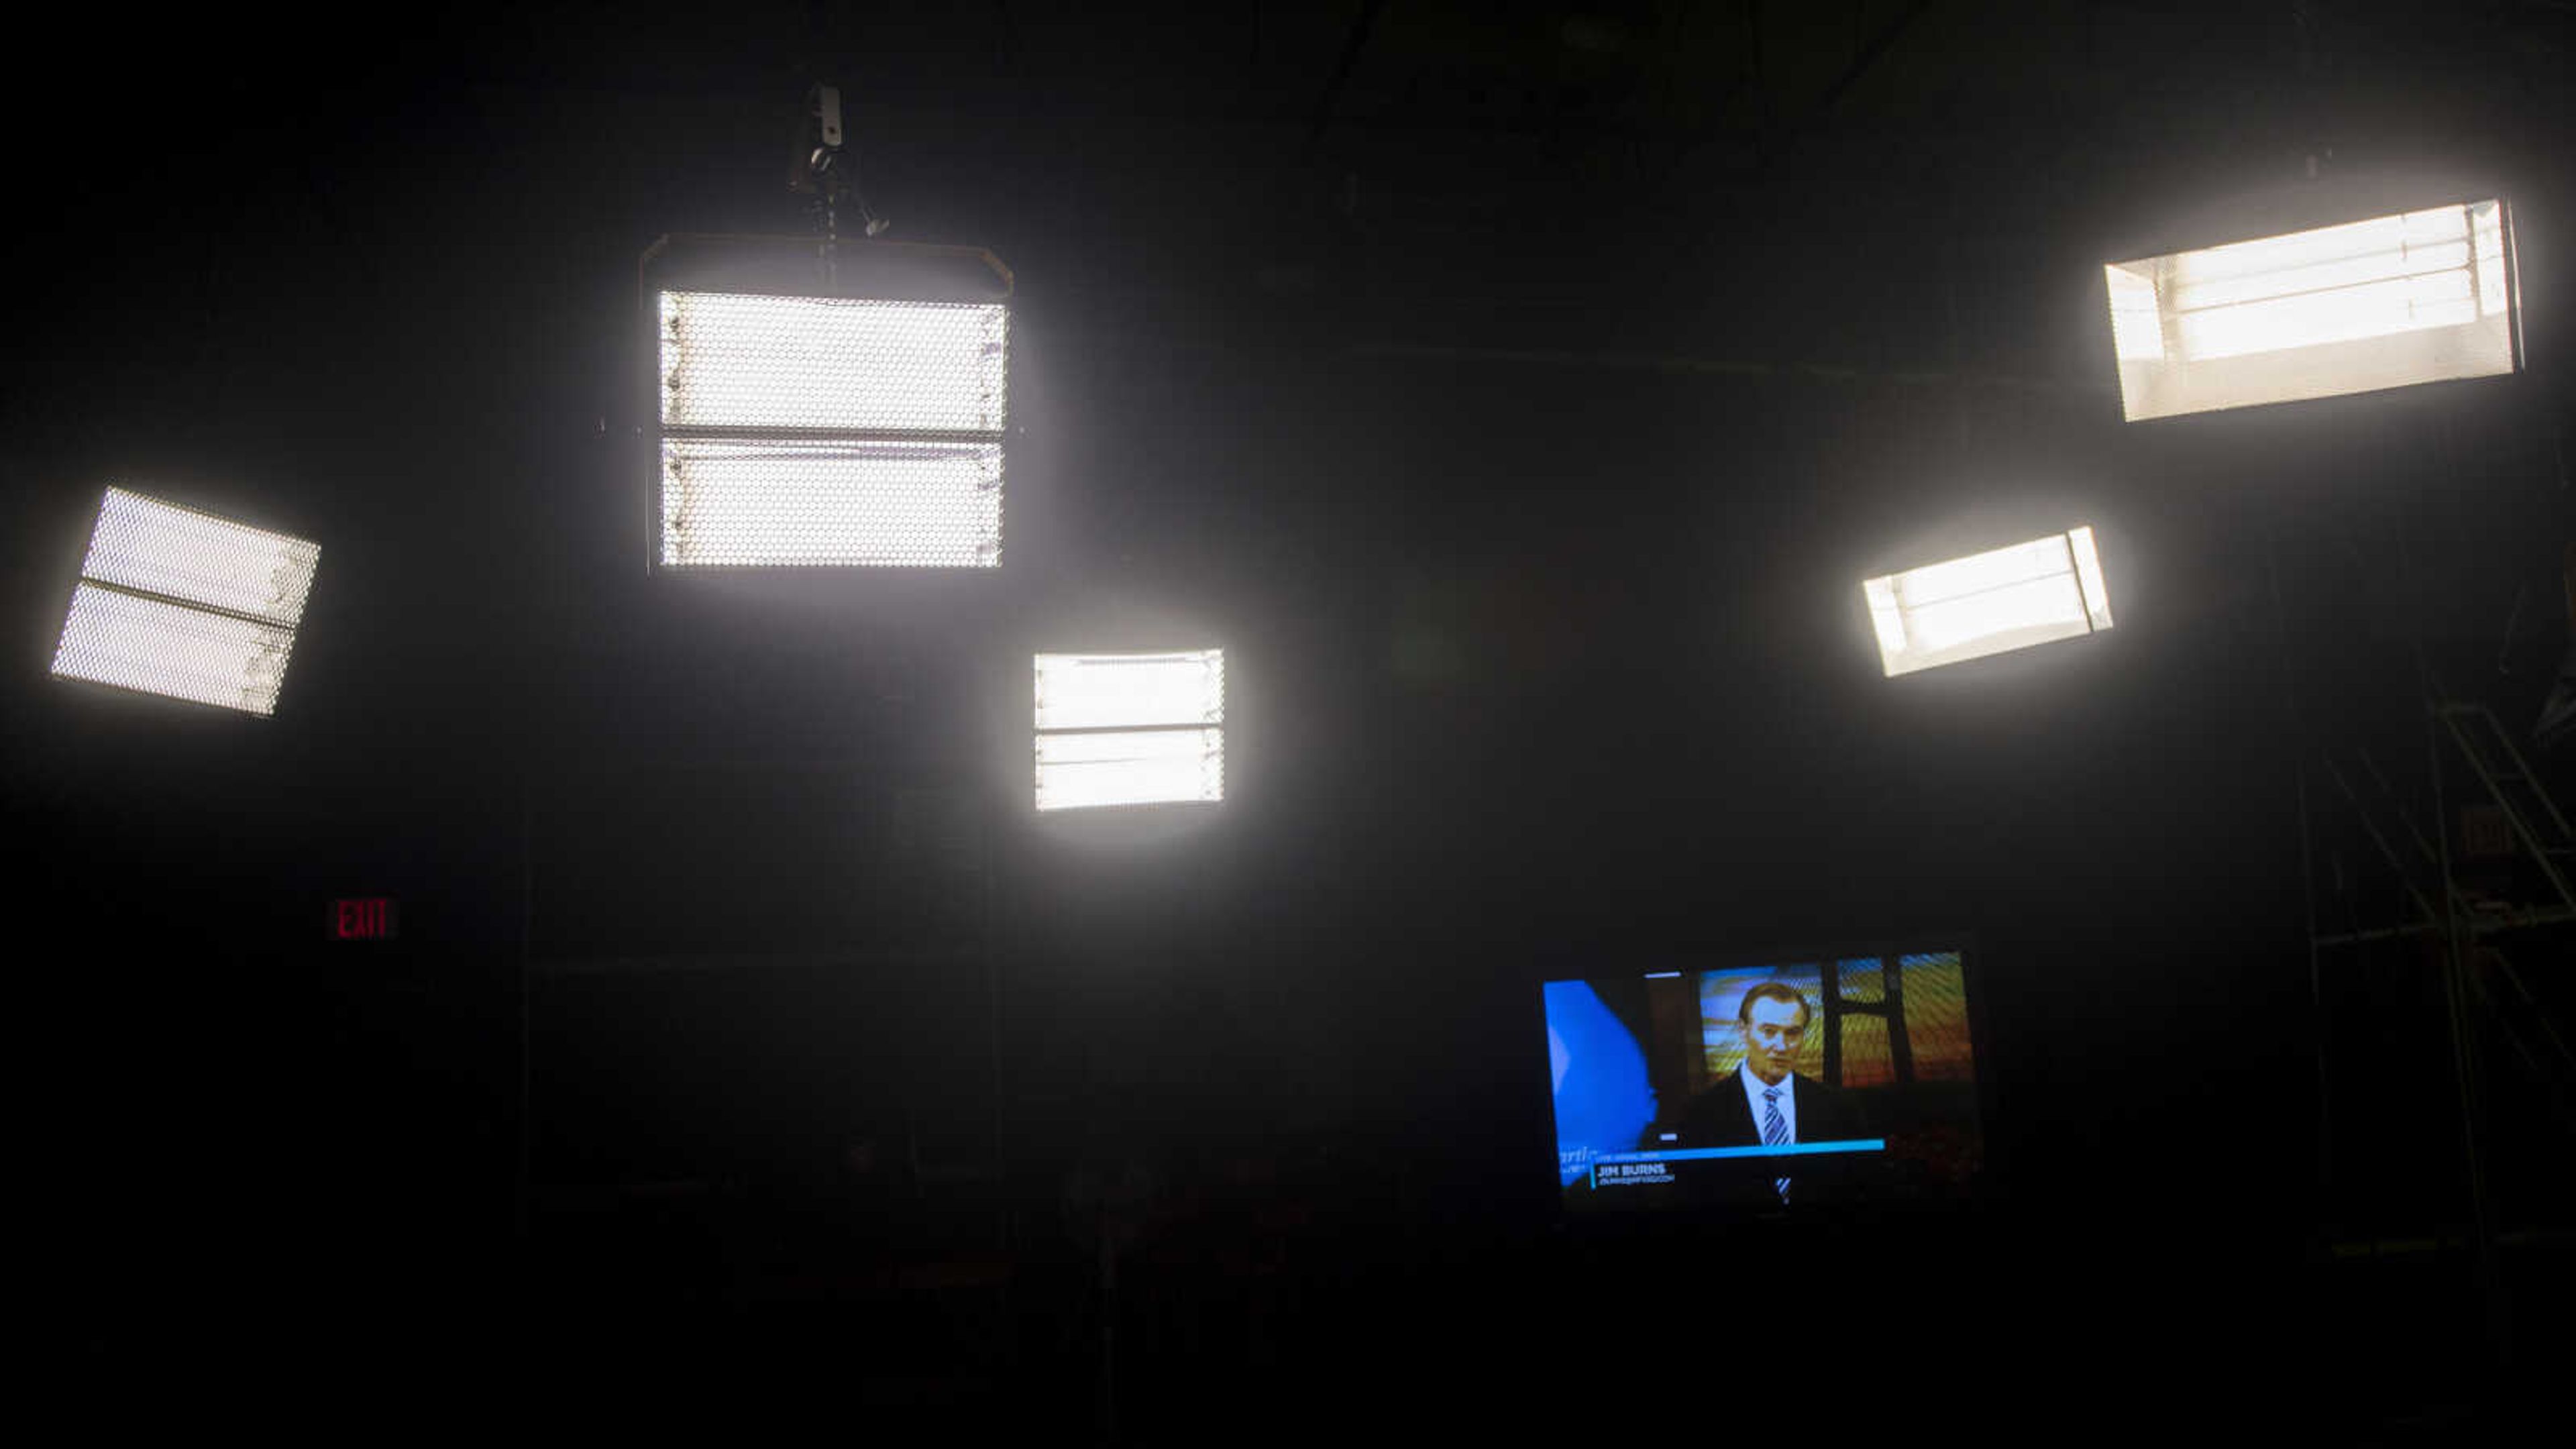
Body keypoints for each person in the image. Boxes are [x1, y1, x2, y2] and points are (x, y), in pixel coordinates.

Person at [1660, 982, 1866, 1203]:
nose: (1782, 1046)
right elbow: (1688, 1200)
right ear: (1743, 1031)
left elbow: (1860, 1189)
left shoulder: (1839, 1107)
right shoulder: (1699, 1113)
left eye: (1792, 1033)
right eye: (1769, 1031)